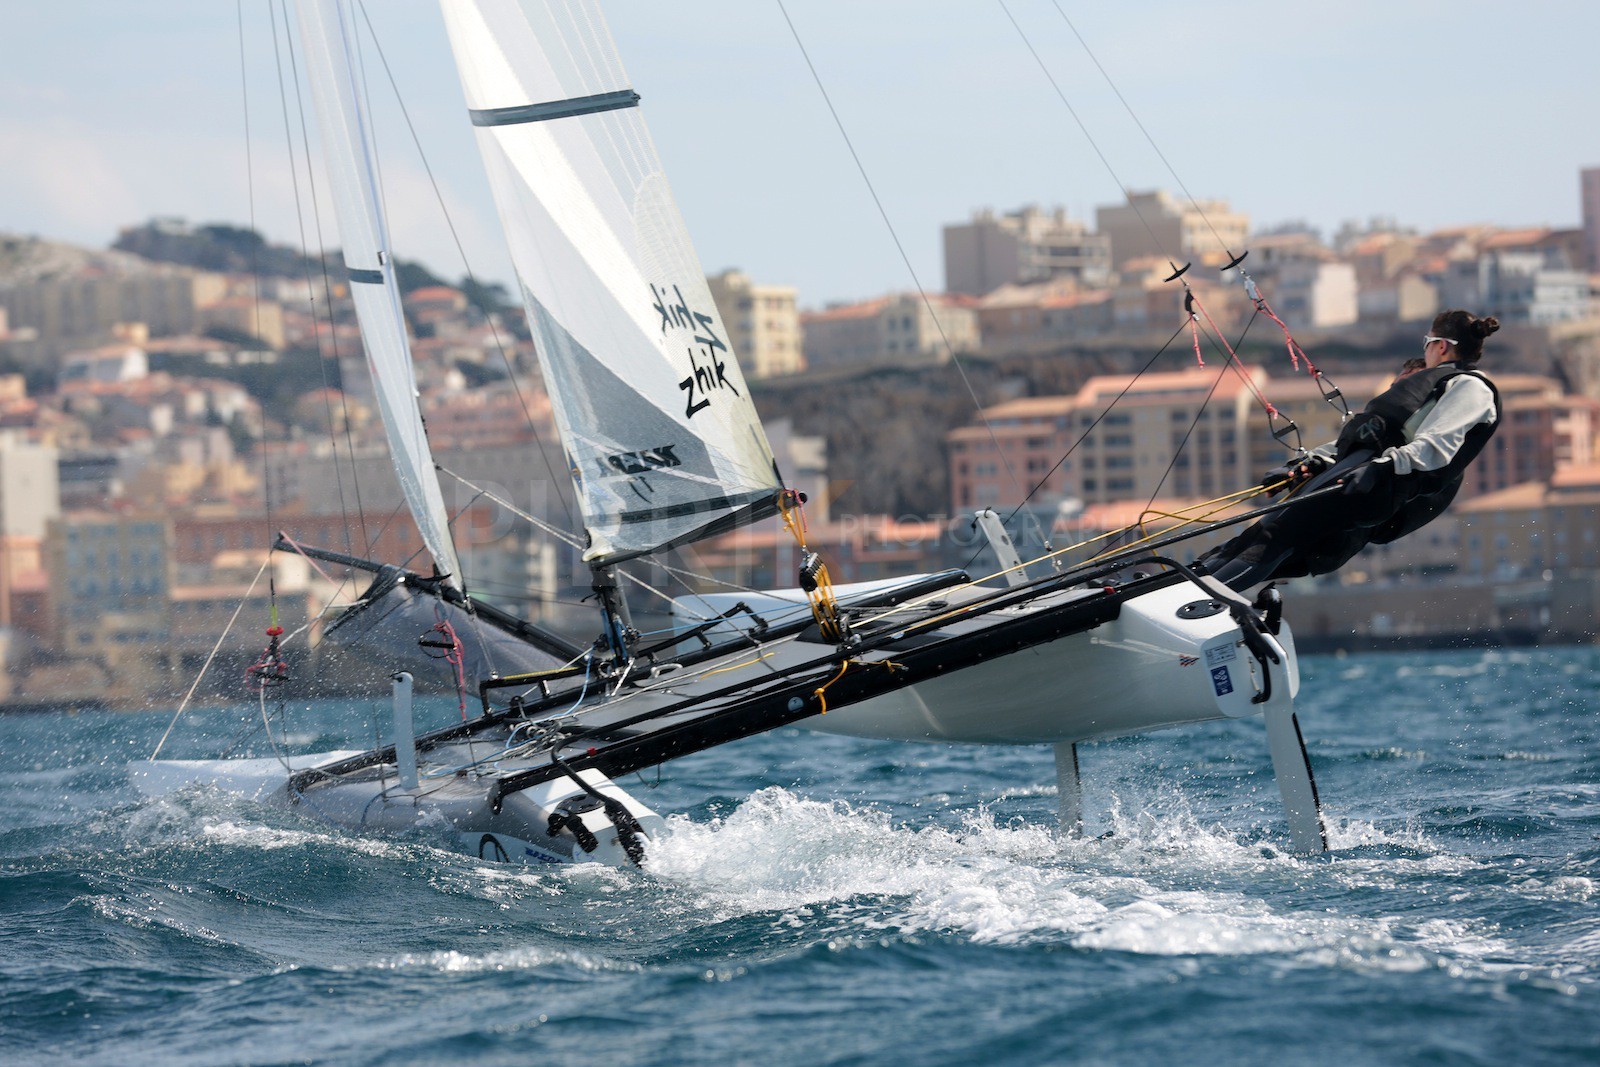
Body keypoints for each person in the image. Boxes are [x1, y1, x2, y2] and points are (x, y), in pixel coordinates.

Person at [1195, 309, 1501, 590]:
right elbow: (1366, 439)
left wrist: (1382, 467)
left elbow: (1436, 445)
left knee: (1276, 538)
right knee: (1256, 537)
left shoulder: (1471, 387)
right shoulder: (1432, 387)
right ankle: (1179, 587)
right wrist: (1309, 463)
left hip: (1376, 482)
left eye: (1426, 343)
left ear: (1441, 345)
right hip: (1358, 470)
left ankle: (1201, 598)